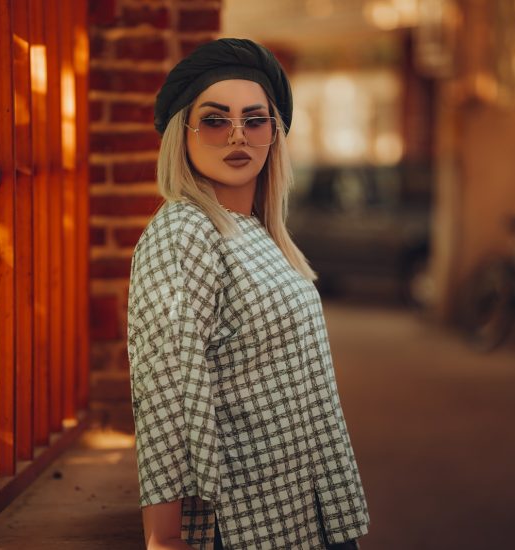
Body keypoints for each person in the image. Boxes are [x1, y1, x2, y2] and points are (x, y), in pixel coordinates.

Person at [127, 38, 370, 550]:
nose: (237, 135)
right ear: (183, 134)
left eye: (255, 120)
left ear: (274, 135)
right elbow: (165, 392)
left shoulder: (259, 231)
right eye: (215, 120)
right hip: (247, 524)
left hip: (313, 506)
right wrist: (163, 537)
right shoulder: (183, 232)